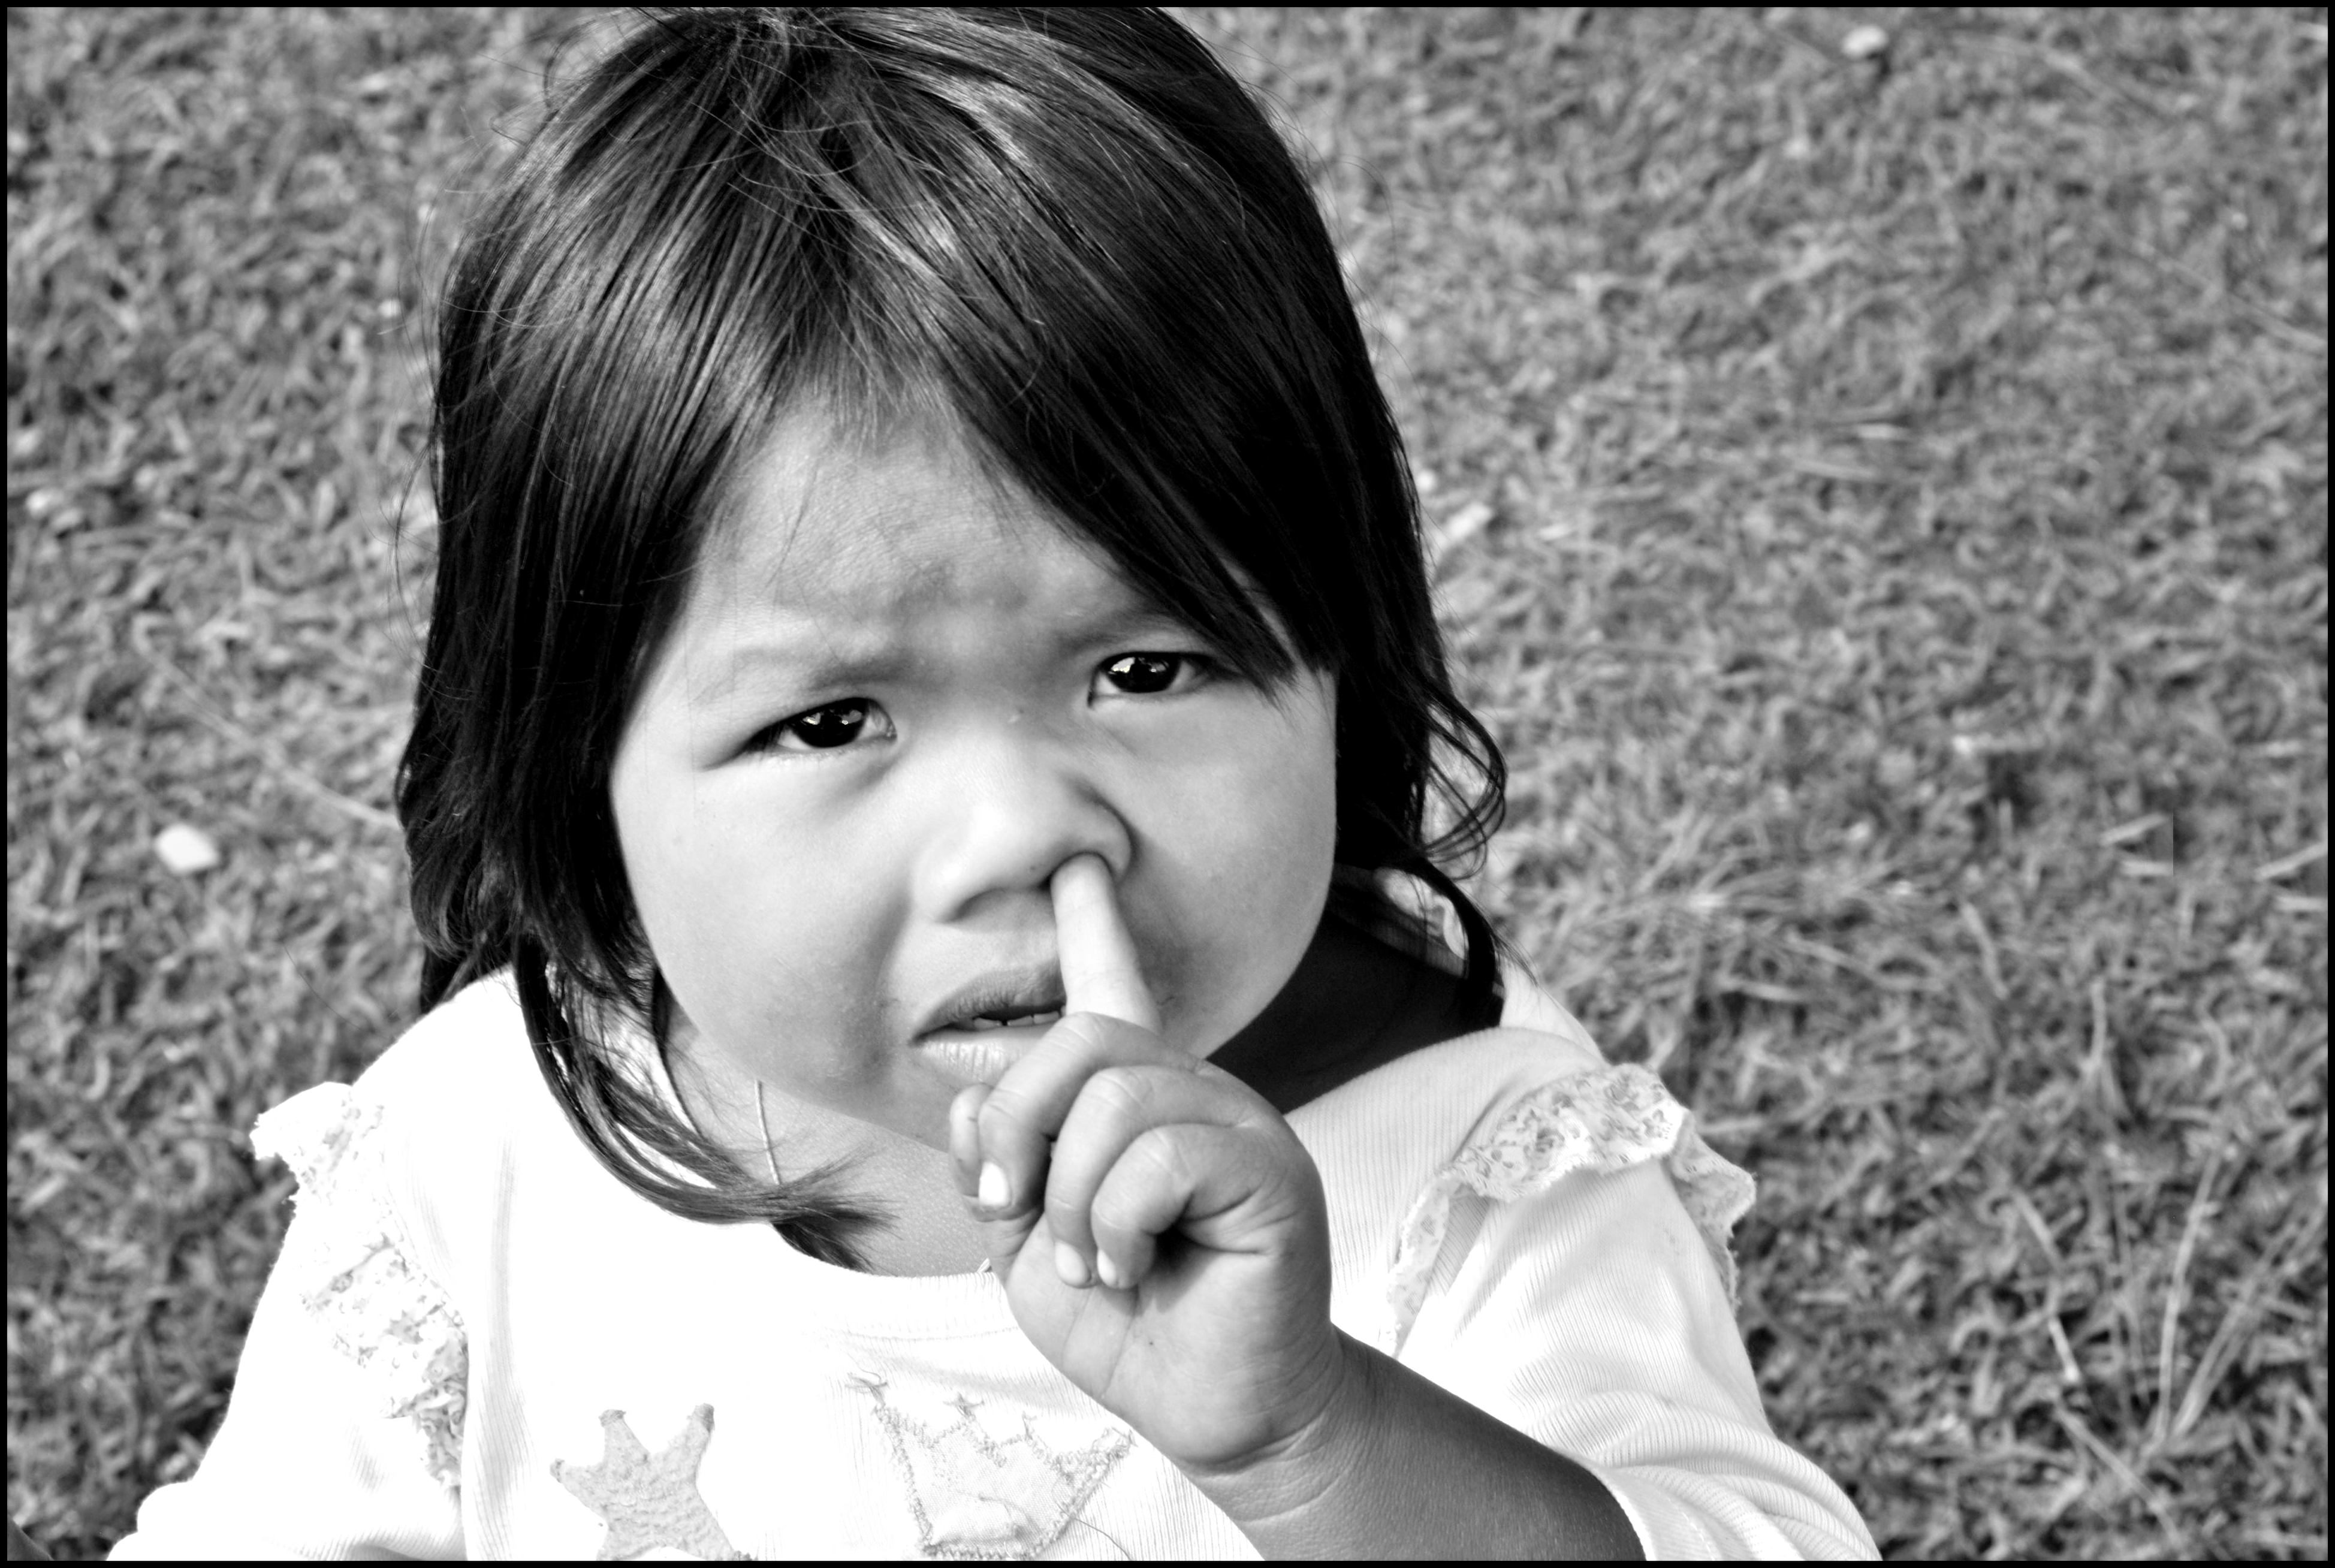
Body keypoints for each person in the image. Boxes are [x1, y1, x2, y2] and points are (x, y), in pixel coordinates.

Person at [96, 9, 1874, 1559]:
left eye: (1146, 670)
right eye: (832, 721)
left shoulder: (1479, 1171)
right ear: (578, 767)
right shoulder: (482, 1161)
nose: (1026, 827)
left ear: (1344, 651)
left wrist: (1313, 1437)